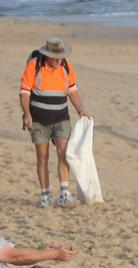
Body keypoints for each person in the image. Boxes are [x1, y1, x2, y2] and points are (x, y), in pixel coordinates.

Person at [19, 36, 92, 208]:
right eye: (56, 58)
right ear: (47, 55)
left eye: (61, 57)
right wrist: (27, 114)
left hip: (61, 117)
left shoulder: (66, 66)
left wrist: (81, 110)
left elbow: (73, 91)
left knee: (63, 152)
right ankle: (45, 195)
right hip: (38, 120)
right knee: (42, 157)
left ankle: (64, 193)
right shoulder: (35, 65)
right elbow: (24, 93)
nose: (59, 61)